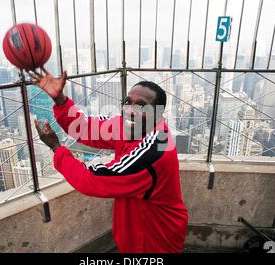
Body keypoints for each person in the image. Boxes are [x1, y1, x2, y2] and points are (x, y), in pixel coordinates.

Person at [28, 68, 188, 253]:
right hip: (134, 233)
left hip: (156, 240)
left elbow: (92, 180)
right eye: (127, 102)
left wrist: (56, 148)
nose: (130, 110)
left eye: (141, 106)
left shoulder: (155, 150)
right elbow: (84, 128)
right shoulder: (128, 124)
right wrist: (60, 99)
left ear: (158, 114)